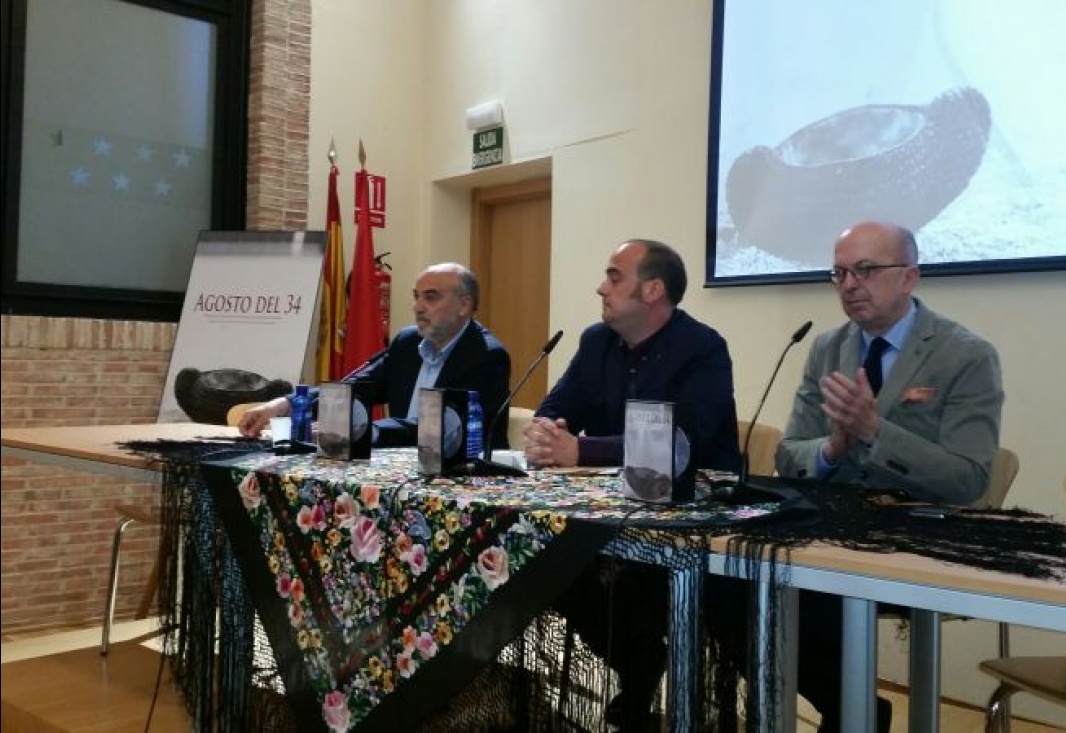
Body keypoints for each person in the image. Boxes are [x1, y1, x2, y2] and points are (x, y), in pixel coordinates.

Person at [777, 220, 1004, 731]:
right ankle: (851, 710)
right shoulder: (826, 349)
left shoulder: (965, 356)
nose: (850, 284)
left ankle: (853, 713)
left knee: (808, 592)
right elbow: (789, 456)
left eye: (866, 270)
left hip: (919, 532)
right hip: (834, 529)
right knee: (744, 582)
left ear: (909, 278)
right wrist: (834, 446)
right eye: (839, 273)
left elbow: (969, 479)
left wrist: (874, 432)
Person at [524, 238, 740, 729]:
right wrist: (545, 431)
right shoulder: (596, 342)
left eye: (614, 276)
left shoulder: (702, 349)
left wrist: (582, 450)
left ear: (653, 290)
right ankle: (638, 663)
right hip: (610, 510)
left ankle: (648, 667)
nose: (601, 287)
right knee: (545, 554)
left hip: (692, 521)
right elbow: (557, 406)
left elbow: (685, 439)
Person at [238, 263, 512, 449]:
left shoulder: (486, 357)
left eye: (431, 298)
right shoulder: (408, 342)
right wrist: (284, 406)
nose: (417, 307)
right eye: (416, 297)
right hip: (403, 468)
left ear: (464, 305)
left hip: (465, 482)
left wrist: (364, 432)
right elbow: (355, 387)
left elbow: (444, 430)